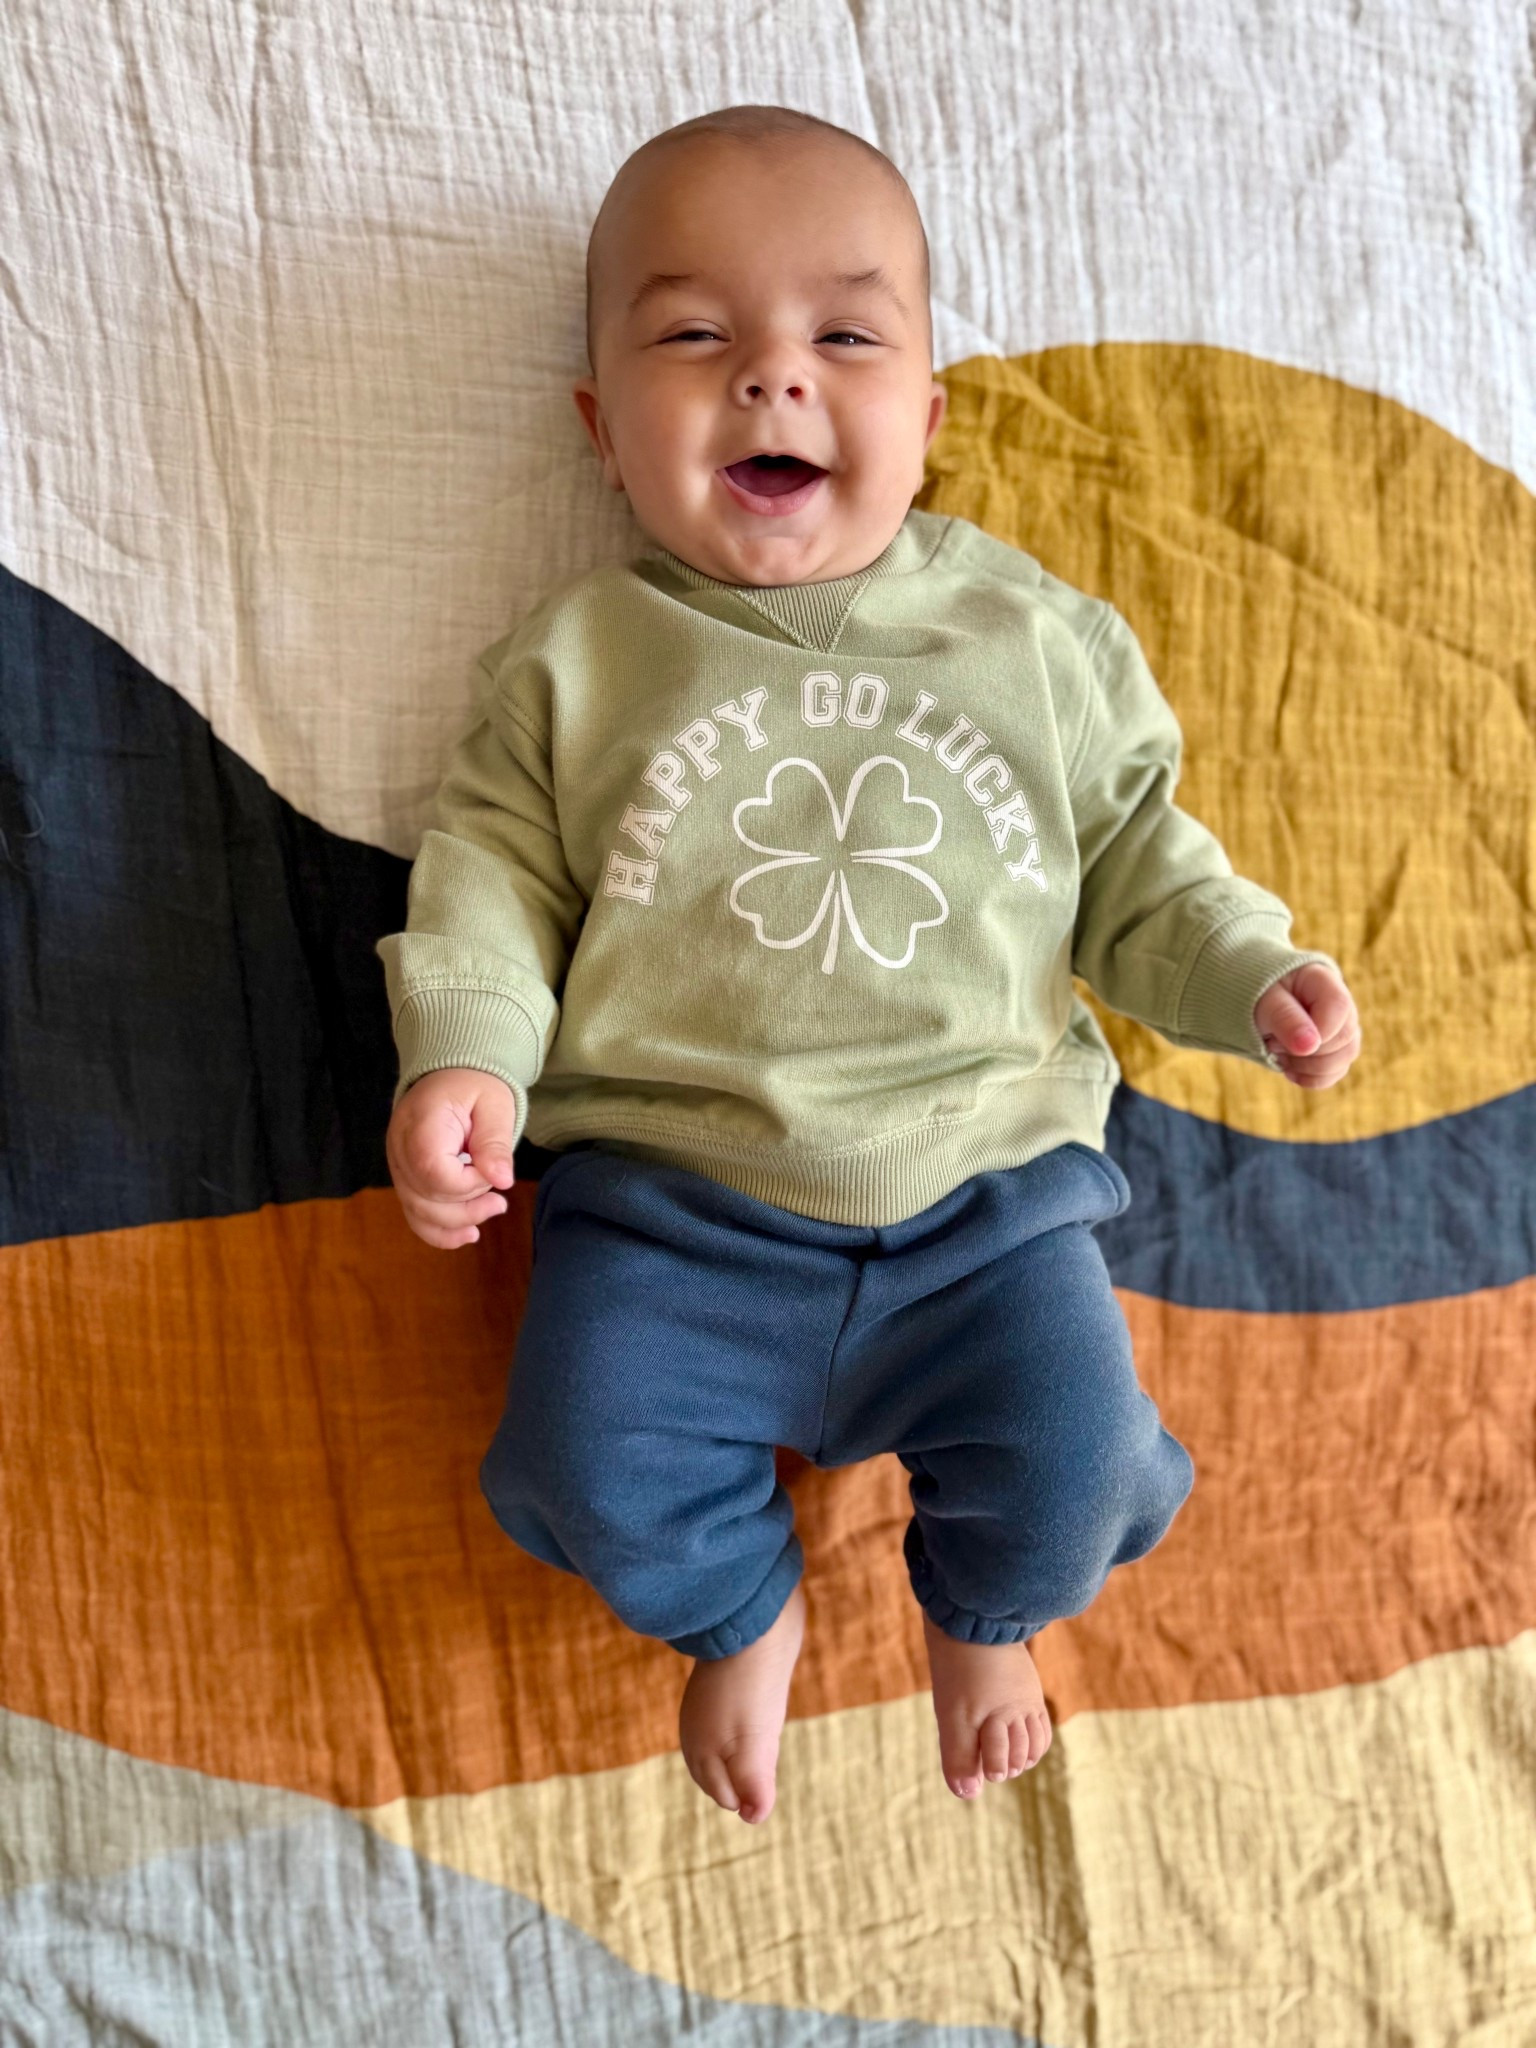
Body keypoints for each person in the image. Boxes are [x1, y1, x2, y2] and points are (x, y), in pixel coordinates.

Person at [376, 105, 1363, 1827]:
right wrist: (465, 1059)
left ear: (928, 411)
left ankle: (984, 1615)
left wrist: (1249, 973)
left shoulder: (1029, 641)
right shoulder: (580, 664)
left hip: (984, 1206)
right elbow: (493, 882)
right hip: (672, 1218)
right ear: (603, 428)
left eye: (843, 335)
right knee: (586, 1460)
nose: (772, 379)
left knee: (1072, 1468)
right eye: (696, 336)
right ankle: (736, 1612)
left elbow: (1140, 863)